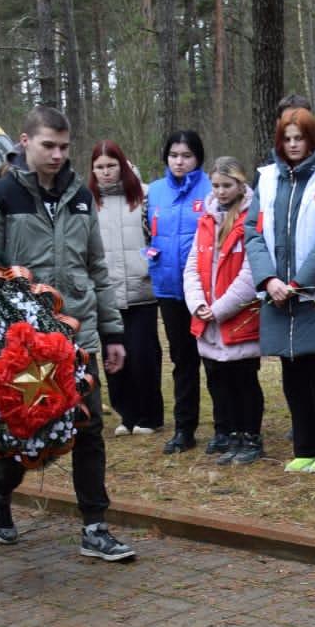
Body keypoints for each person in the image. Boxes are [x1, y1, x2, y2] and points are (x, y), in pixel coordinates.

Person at [0, 105, 137, 562]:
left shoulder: (81, 196)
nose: (58, 155)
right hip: (26, 343)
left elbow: (97, 268)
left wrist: (112, 332)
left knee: (89, 428)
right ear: (25, 142)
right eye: (48, 145)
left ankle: (95, 527)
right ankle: (0, 490)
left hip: (78, 335)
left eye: (64, 147)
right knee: (31, 431)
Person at [245, 107, 315, 474]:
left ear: (311, 139)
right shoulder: (266, 180)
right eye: (287, 138)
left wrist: (298, 283)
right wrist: (269, 280)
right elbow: (253, 232)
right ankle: (305, 447)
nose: (293, 145)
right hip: (276, 293)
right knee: (292, 374)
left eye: (300, 138)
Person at [183, 157, 263, 465]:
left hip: (238, 317)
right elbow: (192, 265)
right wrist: (198, 304)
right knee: (218, 381)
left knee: (244, 381)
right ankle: (230, 433)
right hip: (208, 317)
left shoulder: (251, 220)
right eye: (215, 186)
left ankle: (250, 436)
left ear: (241, 185)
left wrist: (219, 308)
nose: (220, 192)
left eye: (227, 186)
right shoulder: (207, 220)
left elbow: (249, 273)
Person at [89, 140, 164, 436]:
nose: (106, 172)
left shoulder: (144, 196)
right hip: (107, 294)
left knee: (144, 356)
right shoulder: (90, 202)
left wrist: (149, 265)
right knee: (113, 358)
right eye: (100, 167)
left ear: (122, 165)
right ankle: (126, 414)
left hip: (141, 291)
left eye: (111, 166)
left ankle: (150, 415)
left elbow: (156, 237)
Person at [145, 129, 212, 455]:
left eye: (186, 155)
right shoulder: (155, 191)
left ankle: (228, 427)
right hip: (169, 289)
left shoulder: (212, 188)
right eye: (174, 155)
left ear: (198, 157)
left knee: (214, 359)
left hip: (205, 290)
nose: (179, 161)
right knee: (182, 361)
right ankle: (185, 428)